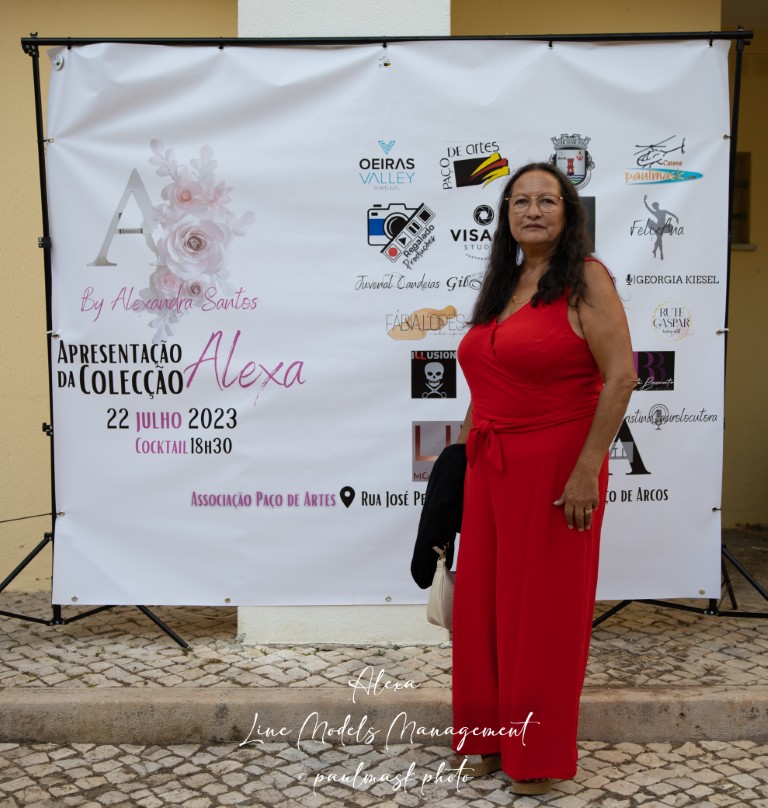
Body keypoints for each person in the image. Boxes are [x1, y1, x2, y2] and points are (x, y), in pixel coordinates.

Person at [448, 162, 636, 795]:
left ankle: (535, 754)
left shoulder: (586, 278)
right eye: (520, 201)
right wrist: (459, 463)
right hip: (489, 467)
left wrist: (587, 470)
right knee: (483, 608)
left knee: (543, 614)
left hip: (558, 471)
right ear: (506, 215)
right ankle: (486, 737)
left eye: (546, 201)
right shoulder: (503, 282)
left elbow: (621, 376)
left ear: (568, 212)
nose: (532, 211)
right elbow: (485, 380)